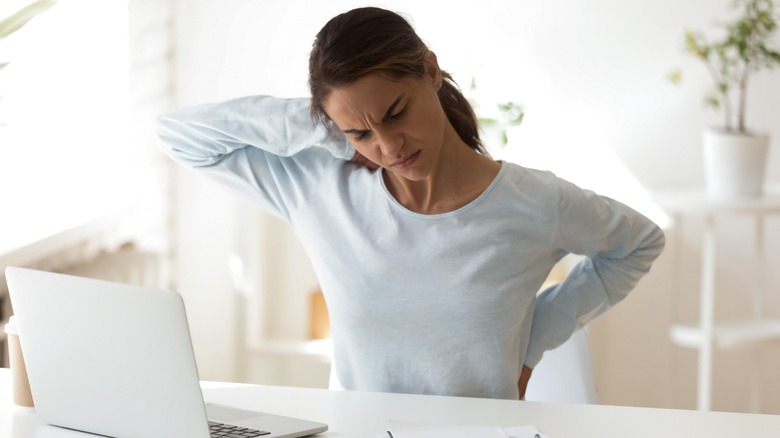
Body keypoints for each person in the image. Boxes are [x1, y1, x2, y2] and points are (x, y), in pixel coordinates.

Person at [157, 6, 665, 400]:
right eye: (362, 132)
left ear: (430, 71)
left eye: (396, 113)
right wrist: (324, 125)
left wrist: (535, 340)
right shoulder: (319, 189)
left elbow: (640, 242)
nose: (390, 147)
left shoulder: (534, 202)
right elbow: (178, 136)